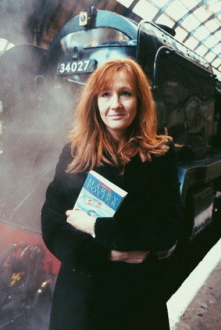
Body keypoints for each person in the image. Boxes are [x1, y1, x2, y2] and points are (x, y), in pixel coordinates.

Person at [41, 58, 182, 330]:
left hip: (137, 299)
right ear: (94, 102)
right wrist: (112, 254)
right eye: (105, 94)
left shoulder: (160, 156)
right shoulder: (73, 153)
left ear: (139, 100)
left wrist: (93, 226)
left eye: (125, 93)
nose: (115, 104)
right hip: (82, 295)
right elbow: (51, 224)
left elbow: (168, 228)